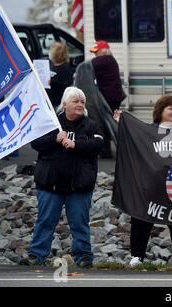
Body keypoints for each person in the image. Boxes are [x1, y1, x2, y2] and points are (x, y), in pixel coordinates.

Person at [21, 87, 104, 267]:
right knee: (45, 221)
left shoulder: (92, 125)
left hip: (79, 185)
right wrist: (55, 139)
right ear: (64, 104)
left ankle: (83, 257)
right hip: (50, 185)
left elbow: (98, 144)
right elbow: (35, 143)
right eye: (75, 101)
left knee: (79, 223)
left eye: (82, 101)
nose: (80, 104)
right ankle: (37, 255)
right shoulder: (50, 123)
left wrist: (76, 144)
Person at [114, 95, 172, 268]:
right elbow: (131, 145)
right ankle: (137, 256)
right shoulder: (147, 131)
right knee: (141, 218)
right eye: (170, 108)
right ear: (160, 111)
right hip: (151, 185)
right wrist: (123, 123)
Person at [90, 40, 126, 158]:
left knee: (105, 123)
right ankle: (115, 149)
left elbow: (87, 66)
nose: (95, 54)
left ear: (103, 51)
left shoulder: (104, 60)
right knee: (109, 123)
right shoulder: (110, 60)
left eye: (97, 51)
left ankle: (106, 151)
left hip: (108, 97)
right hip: (113, 96)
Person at [47, 42, 74, 110]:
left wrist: (52, 82)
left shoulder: (66, 68)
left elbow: (67, 84)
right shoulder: (51, 65)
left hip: (59, 102)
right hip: (50, 100)